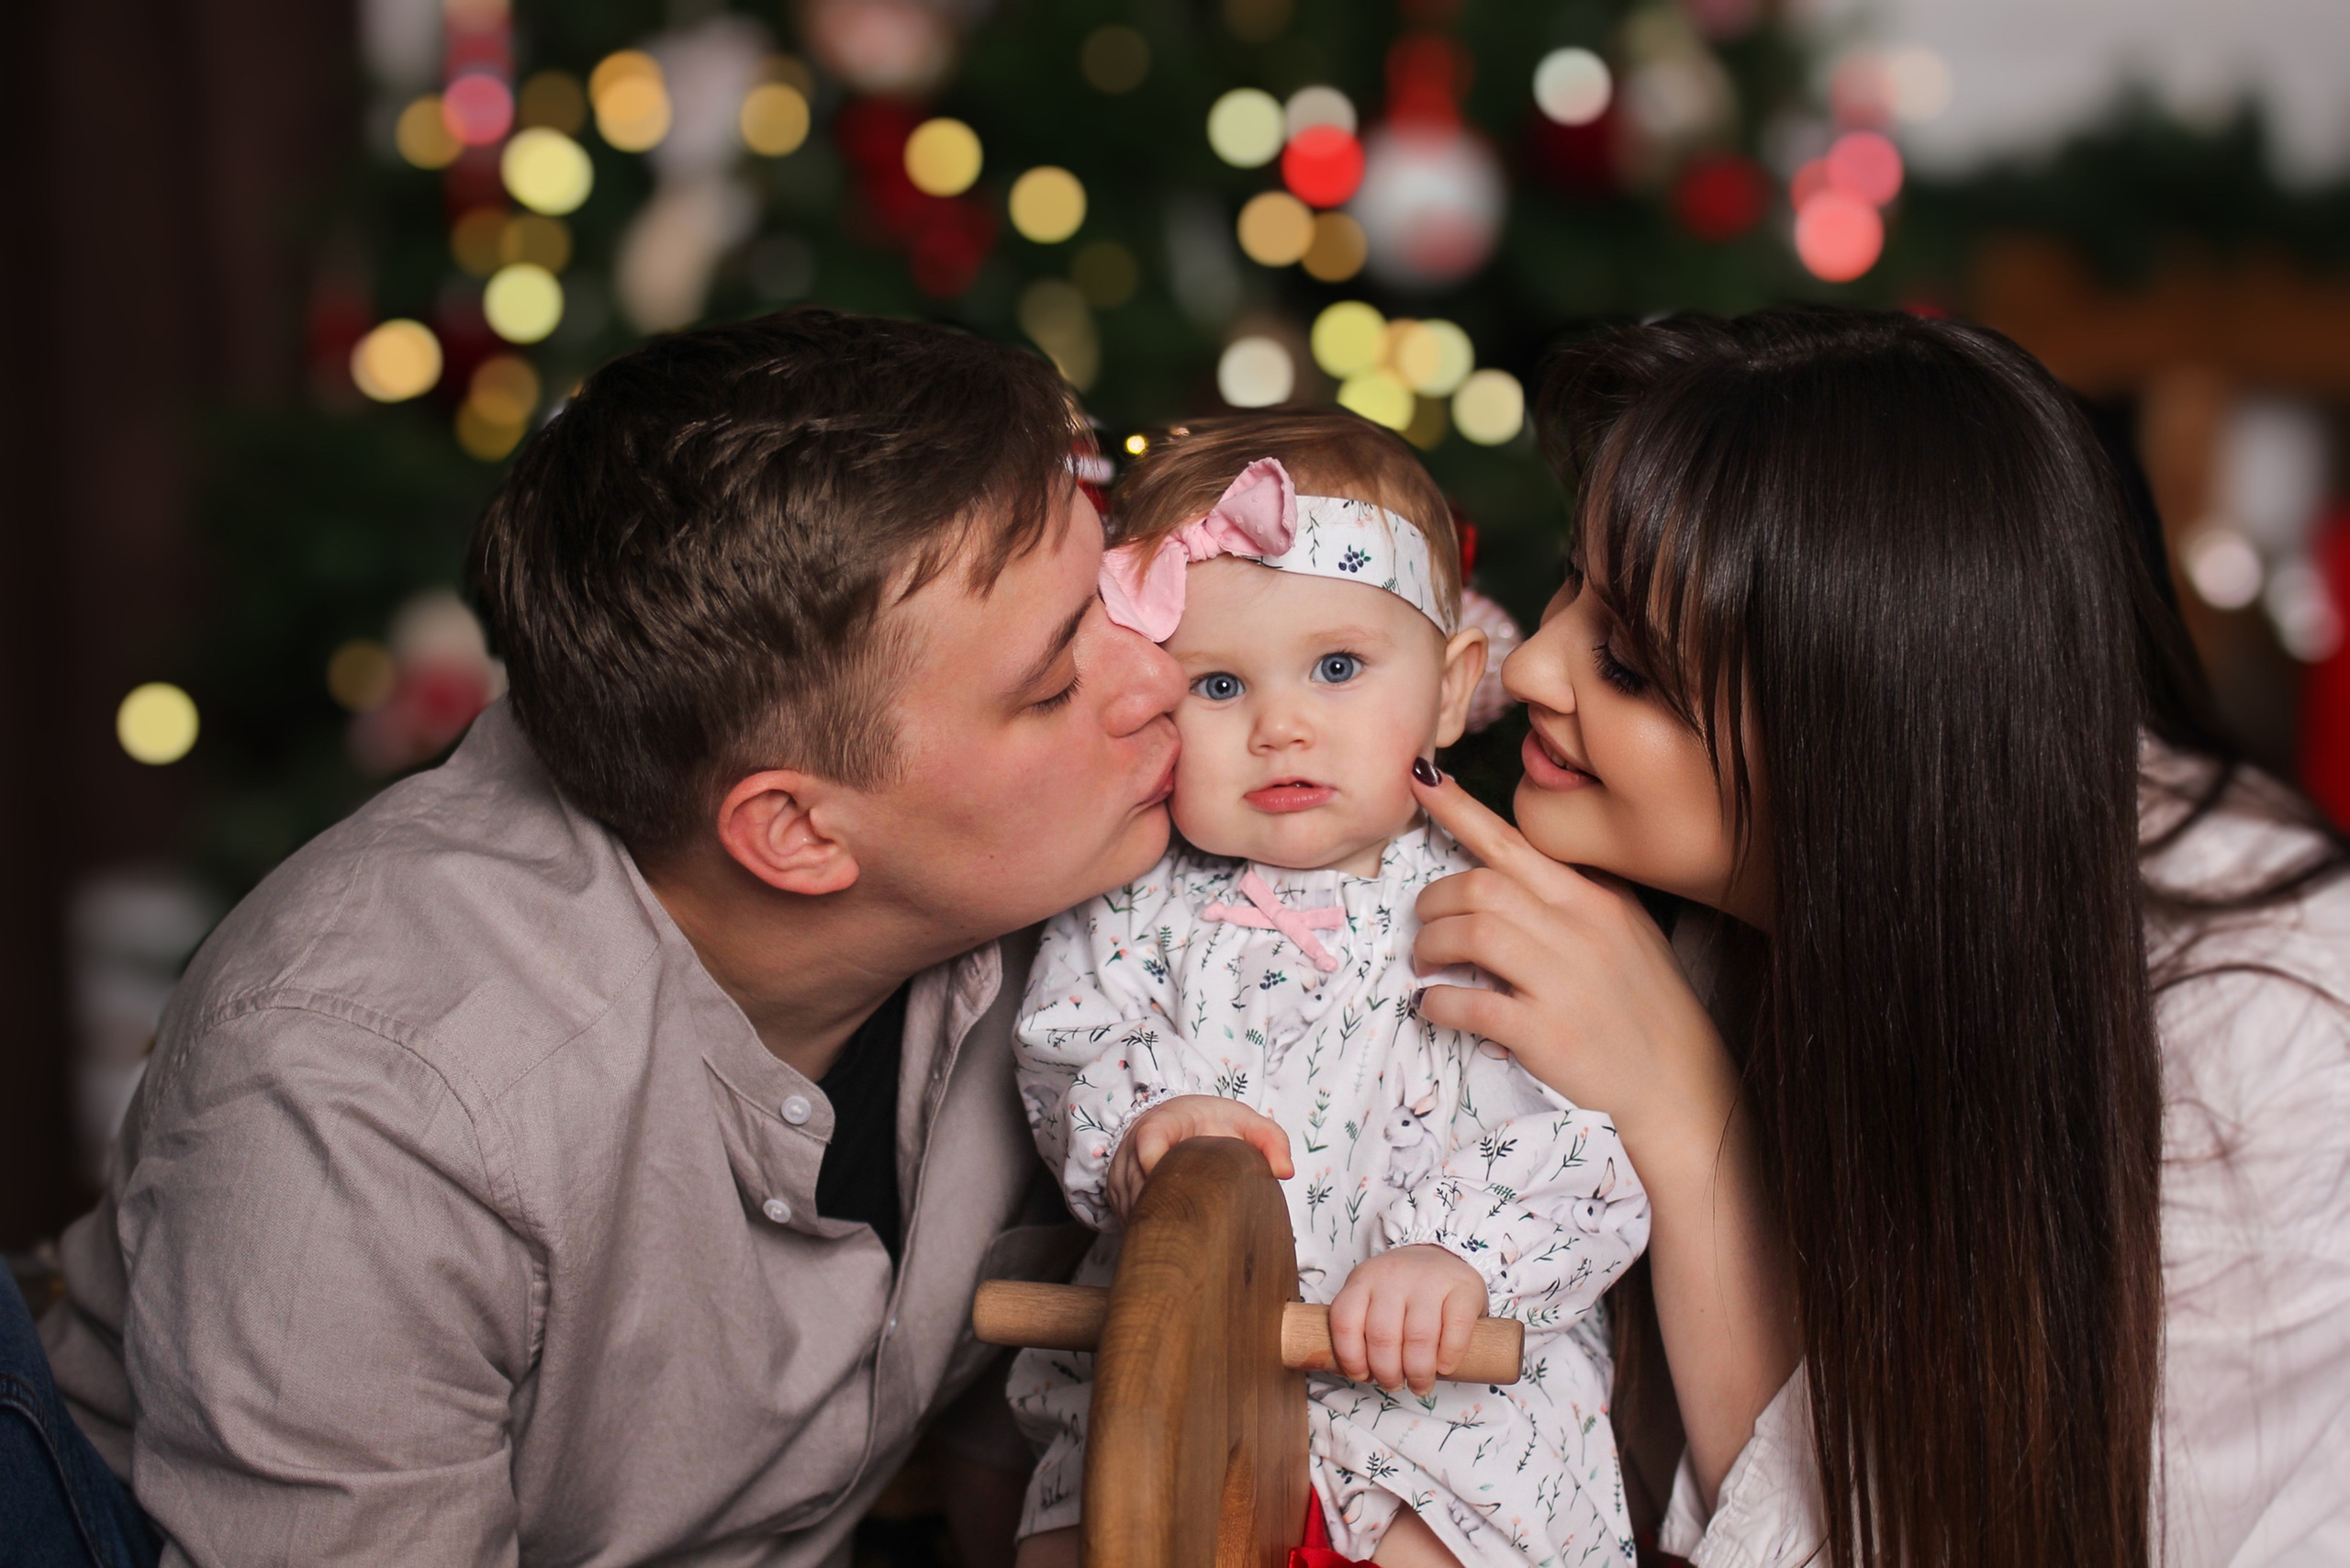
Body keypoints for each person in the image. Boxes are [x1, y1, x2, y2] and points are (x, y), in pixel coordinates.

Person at [30, 308, 1189, 1565]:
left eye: (1115, 594)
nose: (1162, 678)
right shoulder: (366, 1096)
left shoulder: (1068, 860)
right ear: (796, 832)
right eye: (1054, 684)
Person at [1403, 306, 2350, 1567]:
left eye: (1627, 667)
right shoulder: (1684, 871)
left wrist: (1685, 1123)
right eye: (1574, 581)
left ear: (1859, 752)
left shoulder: (2260, 1067)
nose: (1530, 671)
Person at [1009, 413, 1649, 1568]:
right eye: (1215, 683)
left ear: (1451, 694)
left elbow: (1591, 1144)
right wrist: (1140, 1132)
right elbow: (1068, 1050)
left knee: (1466, 1527)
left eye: (1339, 668)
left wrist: (1458, 1257)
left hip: (1443, 1385)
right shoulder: (1123, 901)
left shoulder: (1498, 907)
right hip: (1181, 1362)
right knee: (1089, 1522)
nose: (1282, 725)